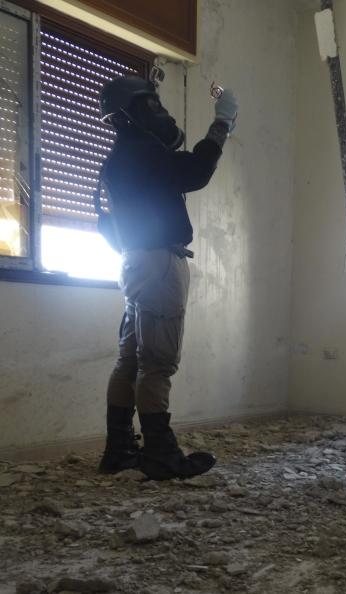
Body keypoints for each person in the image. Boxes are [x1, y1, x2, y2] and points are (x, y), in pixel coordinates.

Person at [96, 75, 238, 481]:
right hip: (159, 264)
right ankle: (161, 455)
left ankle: (119, 449)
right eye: (152, 105)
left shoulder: (121, 156)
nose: (161, 112)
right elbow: (194, 171)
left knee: (129, 360)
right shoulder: (141, 151)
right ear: (132, 113)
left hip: (136, 263)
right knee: (157, 364)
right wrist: (221, 123)